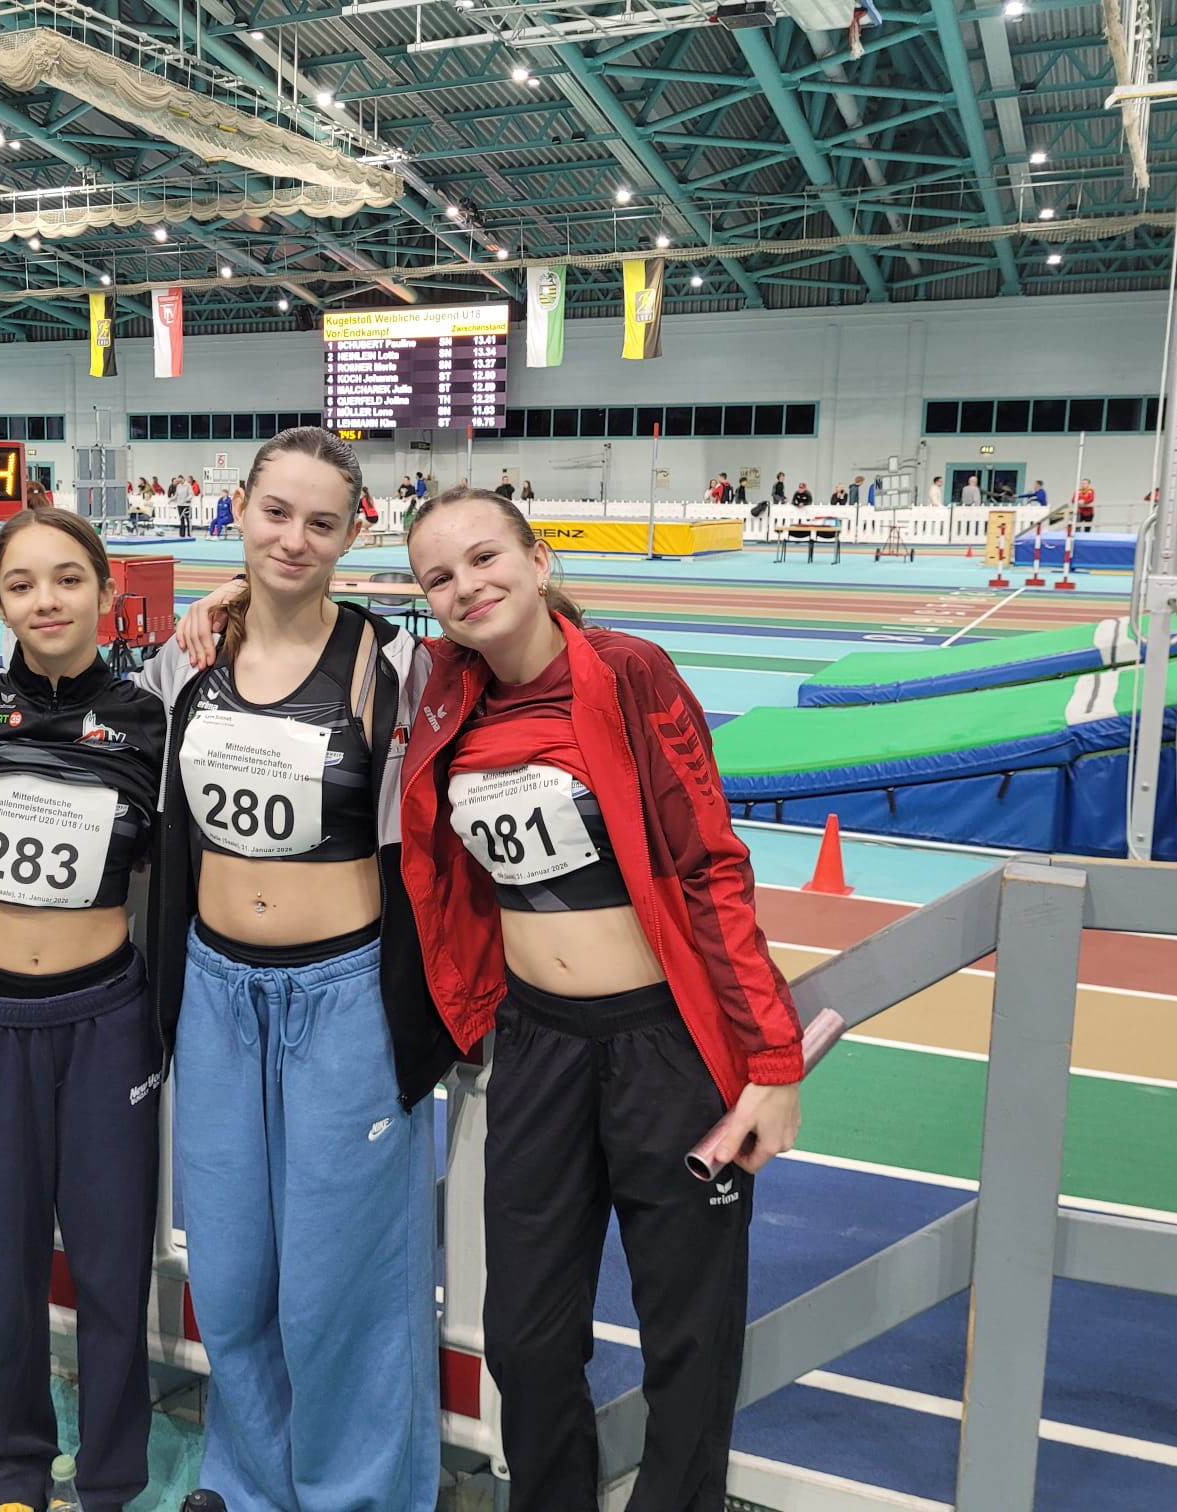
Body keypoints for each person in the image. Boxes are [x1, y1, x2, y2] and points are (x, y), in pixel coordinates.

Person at [399, 487, 803, 1511]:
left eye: (485, 558)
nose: (465, 586)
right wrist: (227, 597)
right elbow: (315, 619)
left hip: (664, 1048)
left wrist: (772, 1060)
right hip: (536, 1047)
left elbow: (711, 864)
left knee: (688, 1341)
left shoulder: (628, 673)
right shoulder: (445, 692)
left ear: (539, 563)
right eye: (438, 577)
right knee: (525, 1341)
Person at [145, 427, 450, 1511]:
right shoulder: (186, 661)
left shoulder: (393, 666)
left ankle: (359, 1498)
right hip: (216, 993)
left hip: (346, 1000)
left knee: (342, 1278)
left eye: (322, 523)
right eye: (276, 513)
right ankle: (248, 1486)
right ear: (239, 509)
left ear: (352, 535)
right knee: (231, 1270)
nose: (294, 539)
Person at [0, 509, 167, 1512]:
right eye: (22, 584)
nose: (47, 601)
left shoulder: (152, 721)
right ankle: (15, 1469)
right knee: (4, 1265)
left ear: (108, 592)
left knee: (113, 1267)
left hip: (105, 1019)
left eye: (69, 579)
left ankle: (111, 1476)